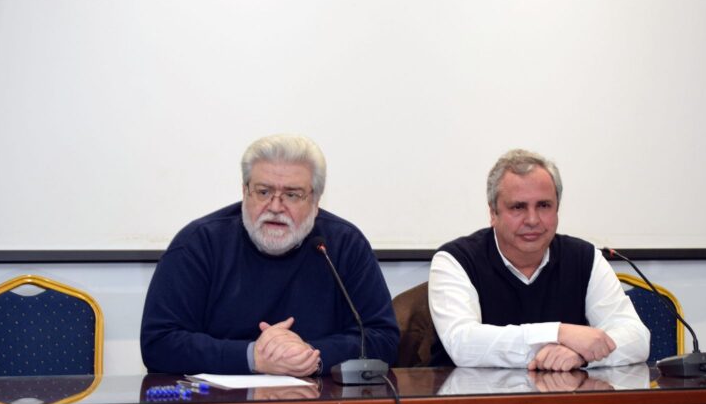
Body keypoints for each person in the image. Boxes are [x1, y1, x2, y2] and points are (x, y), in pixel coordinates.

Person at [141, 134, 398, 376]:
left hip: (321, 403)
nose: (275, 207)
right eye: (263, 192)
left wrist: (309, 354)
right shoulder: (199, 243)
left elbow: (383, 339)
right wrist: (253, 357)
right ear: (245, 191)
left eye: (292, 195)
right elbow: (159, 343)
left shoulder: (344, 245)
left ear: (316, 201)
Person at [428, 149, 650, 371]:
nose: (533, 220)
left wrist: (581, 355)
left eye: (544, 206)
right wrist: (559, 333)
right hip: (473, 392)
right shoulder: (455, 260)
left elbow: (637, 338)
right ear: (493, 213)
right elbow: (463, 344)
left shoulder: (585, 258)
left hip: (563, 392)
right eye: (518, 207)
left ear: (557, 209)